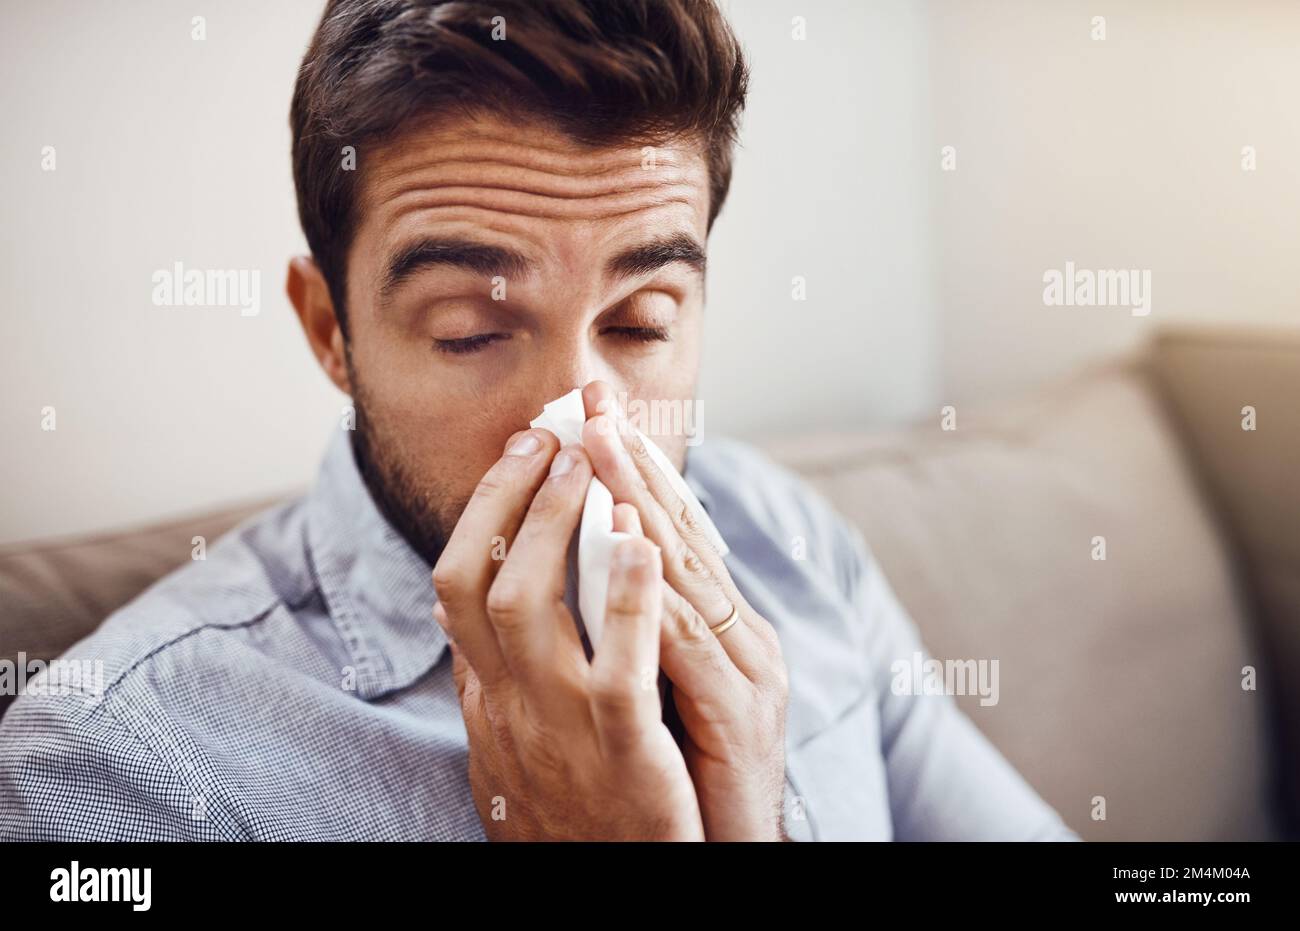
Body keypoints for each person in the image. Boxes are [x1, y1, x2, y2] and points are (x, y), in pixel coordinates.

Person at [0, 0, 1077, 841]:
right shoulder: (116, 768)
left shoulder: (790, 542)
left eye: (642, 322)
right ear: (330, 330)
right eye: (470, 329)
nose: (579, 422)